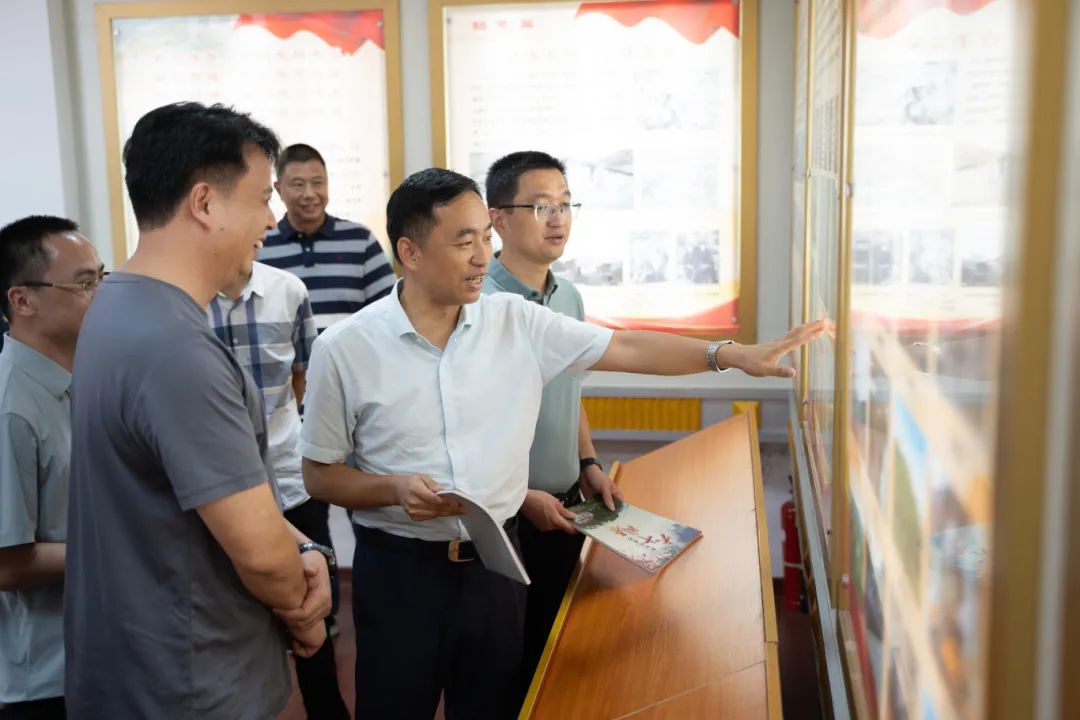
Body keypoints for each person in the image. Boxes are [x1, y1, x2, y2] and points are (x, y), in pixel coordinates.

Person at [300, 167, 824, 719]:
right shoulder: (346, 348)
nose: (482, 256)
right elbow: (320, 475)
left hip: (495, 571)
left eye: (485, 237)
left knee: (493, 708)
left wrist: (730, 355)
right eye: (463, 242)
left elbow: (627, 349)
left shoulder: (515, 322)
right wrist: (392, 489)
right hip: (399, 574)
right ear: (410, 251)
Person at [64, 102, 333, 719]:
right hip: (189, 679)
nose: (271, 220)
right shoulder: (177, 349)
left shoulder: (114, 305)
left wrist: (305, 550)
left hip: (134, 662)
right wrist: (304, 607)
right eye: (261, 198)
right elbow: (261, 556)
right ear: (205, 203)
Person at [481, 150, 623, 702]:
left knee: (557, 658)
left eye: (565, 205)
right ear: (497, 218)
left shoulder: (569, 296)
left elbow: (571, 387)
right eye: (541, 206)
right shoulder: (479, 301)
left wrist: (588, 462)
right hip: (505, 516)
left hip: (564, 505)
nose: (558, 219)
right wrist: (520, 496)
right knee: (504, 670)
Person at [206, 260, 348, 719]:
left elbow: (303, 375)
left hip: (288, 476)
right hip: (219, 484)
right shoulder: (184, 294)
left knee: (313, 607)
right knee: (232, 608)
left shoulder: (288, 290)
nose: (265, 226)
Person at [0, 216, 102, 720]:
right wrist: (120, 542)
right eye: (84, 284)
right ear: (22, 300)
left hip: (91, 652)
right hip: (41, 676)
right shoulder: (10, 406)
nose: (100, 296)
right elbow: (7, 563)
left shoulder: (76, 380)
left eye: (102, 278)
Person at [259, 143, 396, 331]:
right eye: (298, 185)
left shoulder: (361, 240)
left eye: (317, 183)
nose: (309, 194)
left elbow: (390, 311)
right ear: (279, 189)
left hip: (351, 351)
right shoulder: (261, 245)